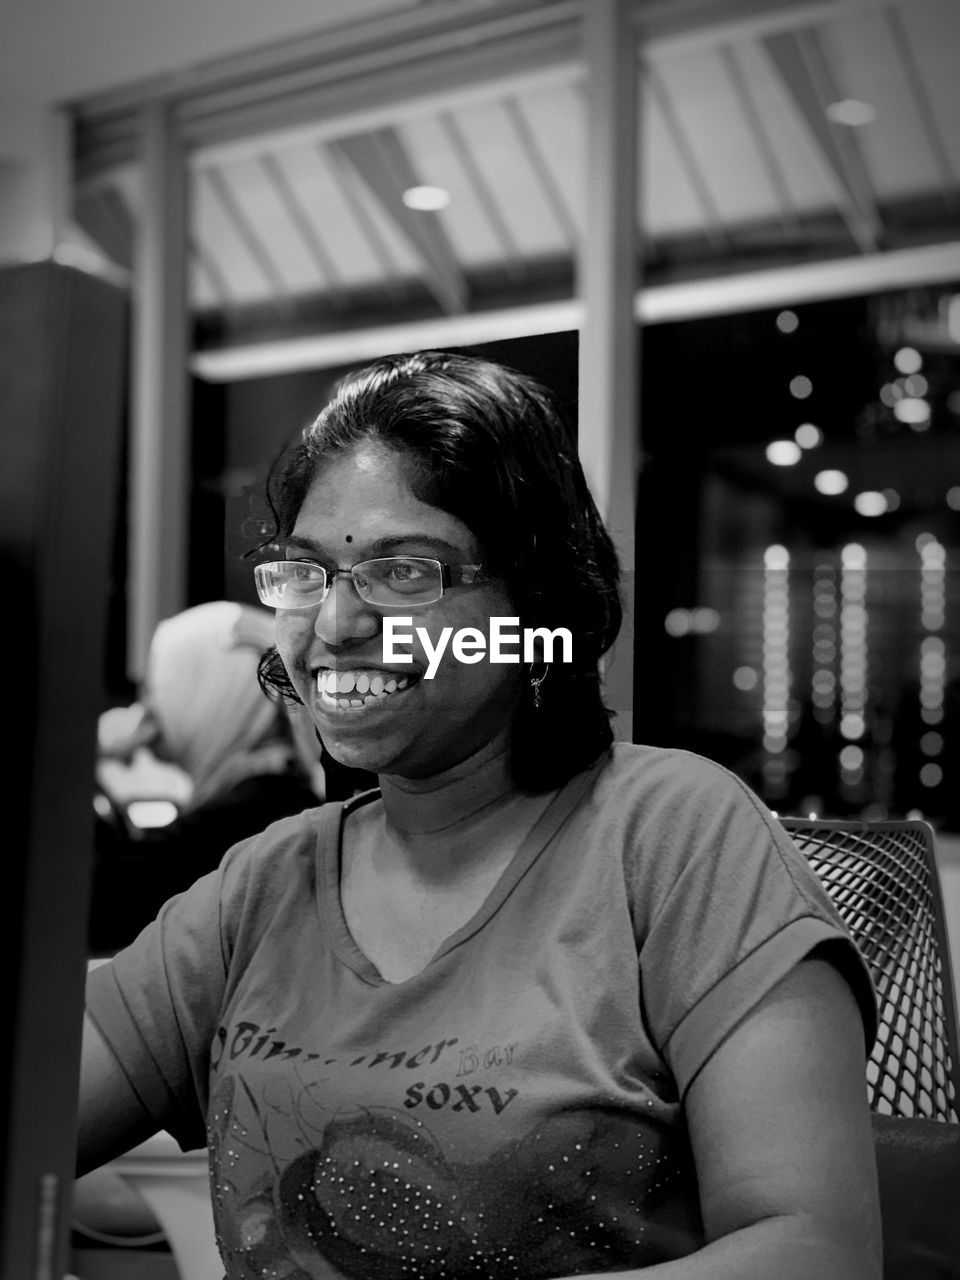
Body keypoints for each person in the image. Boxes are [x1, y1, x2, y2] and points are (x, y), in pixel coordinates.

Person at [78, 351, 882, 1279]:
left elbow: (817, 1251)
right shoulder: (265, 884)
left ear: (534, 601)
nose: (336, 625)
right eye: (303, 575)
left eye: (406, 573)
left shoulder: (674, 835)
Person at [89, 600, 330, 953]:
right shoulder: (275, 798)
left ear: (209, 691)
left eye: (159, 685)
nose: (150, 706)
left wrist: (76, 756)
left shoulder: (253, 816)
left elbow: (102, 903)